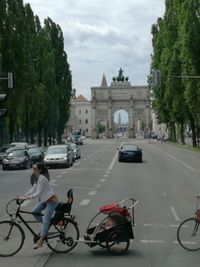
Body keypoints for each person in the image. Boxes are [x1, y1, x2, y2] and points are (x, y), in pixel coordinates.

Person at [18, 162, 58, 249]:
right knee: (34, 211)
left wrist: (26, 198)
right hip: (45, 200)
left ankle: (41, 241)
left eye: (35, 168)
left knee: (46, 220)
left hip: (51, 201)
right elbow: (33, 189)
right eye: (33, 168)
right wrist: (25, 195)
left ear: (39, 170)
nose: (33, 170)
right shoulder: (37, 177)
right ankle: (45, 227)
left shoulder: (42, 178)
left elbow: (38, 193)